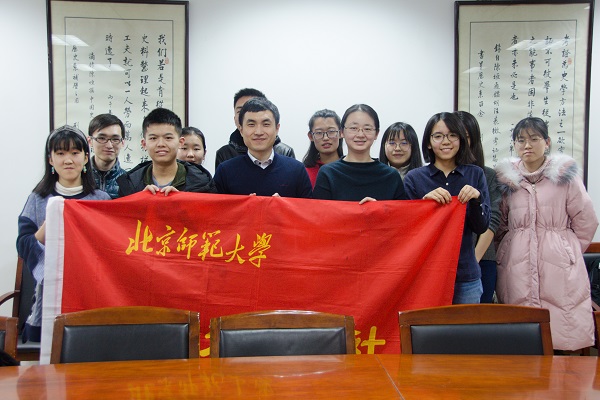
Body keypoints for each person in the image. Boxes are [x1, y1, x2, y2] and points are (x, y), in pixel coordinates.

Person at [495, 117, 598, 351]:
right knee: (519, 329)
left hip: (559, 262)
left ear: (547, 142)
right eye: (520, 140)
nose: (527, 145)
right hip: (516, 262)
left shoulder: (565, 178)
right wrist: (508, 249)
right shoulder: (507, 182)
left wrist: (567, 249)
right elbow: (500, 225)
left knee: (561, 322)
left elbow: (586, 220)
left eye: (534, 139)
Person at [17, 126, 111, 343]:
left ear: (86, 158)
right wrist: (47, 225)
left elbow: (110, 249)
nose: (68, 160)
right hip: (48, 296)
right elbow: (23, 244)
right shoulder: (37, 199)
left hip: (91, 294)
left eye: (75, 153)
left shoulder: (101, 199)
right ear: (51, 159)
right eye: (60, 153)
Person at [404, 112, 490, 304]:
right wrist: (424, 205)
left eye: (452, 135)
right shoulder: (414, 178)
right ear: (428, 142)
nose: (446, 141)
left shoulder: (475, 174)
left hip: (465, 275)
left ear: (461, 140)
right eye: (438, 136)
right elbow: (407, 230)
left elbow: (481, 226)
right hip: (426, 274)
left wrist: (476, 200)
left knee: (466, 324)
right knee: (427, 324)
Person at [214, 97, 312, 198]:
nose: (258, 132)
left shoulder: (297, 170)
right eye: (251, 124)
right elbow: (215, 207)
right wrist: (244, 205)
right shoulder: (225, 171)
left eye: (266, 124)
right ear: (241, 130)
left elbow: (308, 207)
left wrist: (284, 205)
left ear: (277, 128)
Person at [313, 104, 407, 202]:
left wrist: (378, 208)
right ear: (342, 132)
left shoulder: (391, 176)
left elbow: (400, 211)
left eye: (367, 129)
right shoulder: (328, 173)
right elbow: (320, 210)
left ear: (376, 134)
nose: (360, 135)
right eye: (353, 128)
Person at [455, 111, 502, 303]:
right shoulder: (437, 175)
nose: (459, 142)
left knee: (478, 318)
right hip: (447, 262)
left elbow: (493, 220)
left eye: (465, 136)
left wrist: (472, 261)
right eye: (454, 135)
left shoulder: (488, 175)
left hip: (481, 260)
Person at [117, 108, 216, 197]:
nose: (161, 144)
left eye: (168, 138)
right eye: (153, 138)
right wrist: (139, 199)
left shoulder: (201, 183)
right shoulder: (130, 184)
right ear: (144, 144)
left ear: (180, 142)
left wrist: (182, 200)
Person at [215, 88, 295, 169]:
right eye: (240, 111)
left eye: (255, 107)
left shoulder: (284, 151)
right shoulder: (224, 155)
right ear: (235, 118)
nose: (258, 132)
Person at [87, 113, 127, 199]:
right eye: (102, 138)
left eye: (115, 139)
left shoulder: (130, 182)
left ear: (122, 143)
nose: (109, 145)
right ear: (90, 141)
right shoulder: (79, 178)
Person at [302, 109, 344, 187]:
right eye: (319, 133)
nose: (325, 138)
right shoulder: (304, 173)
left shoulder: (350, 169)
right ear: (311, 136)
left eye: (331, 131)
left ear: (341, 133)